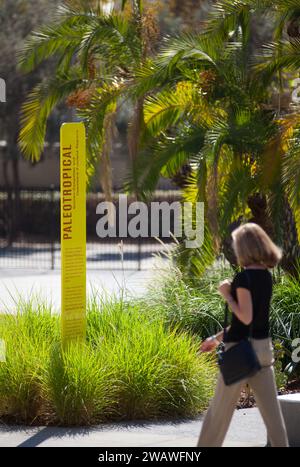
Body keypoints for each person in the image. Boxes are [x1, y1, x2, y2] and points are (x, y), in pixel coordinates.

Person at [197, 222, 289, 447]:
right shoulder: (266, 277)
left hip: (240, 351)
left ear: (245, 248)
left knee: (217, 415)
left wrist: (227, 294)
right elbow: (249, 322)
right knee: (273, 419)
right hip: (262, 350)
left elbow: (244, 318)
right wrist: (216, 338)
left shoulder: (243, 279)